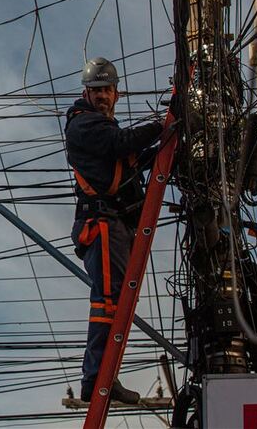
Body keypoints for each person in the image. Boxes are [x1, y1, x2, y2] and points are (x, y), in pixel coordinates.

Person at [66, 57, 163, 404]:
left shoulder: (105, 129)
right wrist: (167, 122)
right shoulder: (83, 125)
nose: (102, 95)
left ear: (116, 94)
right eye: (97, 90)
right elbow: (121, 143)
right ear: (86, 93)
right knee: (107, 303)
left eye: (107, 90)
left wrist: (171, 144)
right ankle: (96, 380)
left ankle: (104, 376)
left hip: (115, 225)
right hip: (101, 224)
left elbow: (134, 159)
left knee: (115, 301)